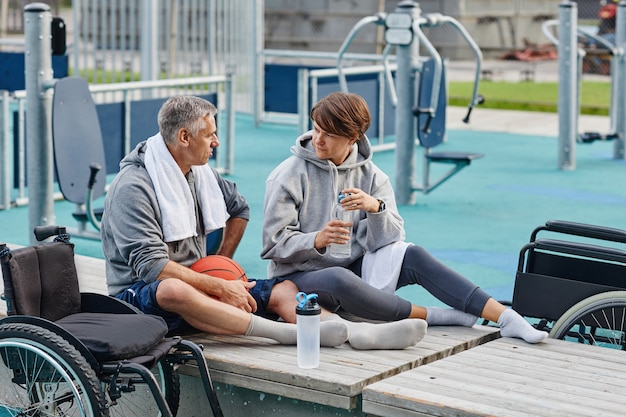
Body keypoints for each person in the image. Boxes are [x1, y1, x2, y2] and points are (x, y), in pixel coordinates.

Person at [259, 91, 548, 344]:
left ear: (353, 138)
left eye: (329, 134)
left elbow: (392, 239)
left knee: (414, 255)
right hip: (299, 278)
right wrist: (317, 240)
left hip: (356, 267)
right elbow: (272, 245)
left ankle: (507, 317)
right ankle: (436, 315)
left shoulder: (372, 176)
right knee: (339, 277)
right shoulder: (289, 174)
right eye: (316, 129)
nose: (317, 139)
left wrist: (376, 209)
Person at [100, 95, 349, 347]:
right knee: (172, 289)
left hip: (200, 283)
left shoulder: (201, 173)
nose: (216, 142)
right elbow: (152, 267)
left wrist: (221, 261)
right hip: (140, 299)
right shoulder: (132, 187)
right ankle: (283, 334)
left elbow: (239, 208)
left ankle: (349, 331)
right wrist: (220, 286)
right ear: (185, 137)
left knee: (283, 290)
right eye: (210, 135)